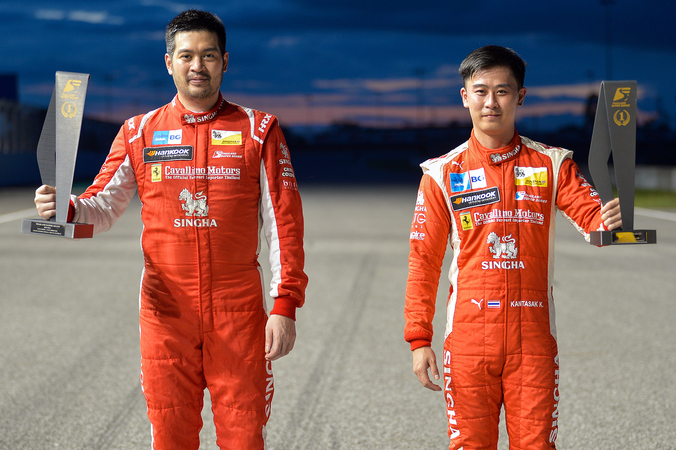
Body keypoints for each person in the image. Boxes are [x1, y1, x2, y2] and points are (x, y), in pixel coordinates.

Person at [34, 10, 307, 450]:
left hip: (237, 311)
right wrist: (65, 208)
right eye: (186, 56)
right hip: (164, 312)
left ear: (225, 61)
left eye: (208, 55)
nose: (197, 66)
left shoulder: (259, 130)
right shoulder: (138, 132)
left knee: (243, 438)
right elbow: (100, 207)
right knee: (170, 437)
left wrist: (285, 304)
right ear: (168, 62)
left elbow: (284, 224)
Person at [404, 45, 622, 450]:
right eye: (481, 91)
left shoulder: (552, 164)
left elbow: (595, 224)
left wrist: (611, 221)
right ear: (465, 96)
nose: (491, 102)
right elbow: (423, 261)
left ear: (520, 96)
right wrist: (419, 339)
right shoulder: (440, 173)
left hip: (533, 341)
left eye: (502, 91)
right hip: (467, 341)